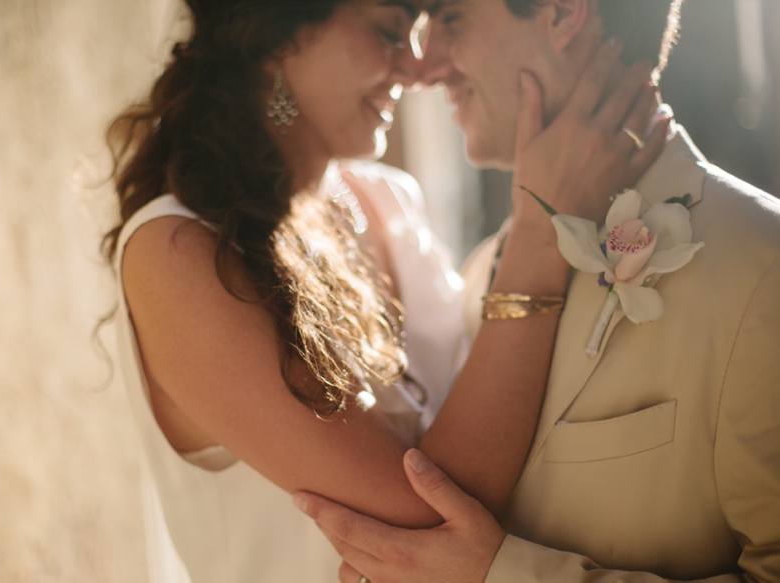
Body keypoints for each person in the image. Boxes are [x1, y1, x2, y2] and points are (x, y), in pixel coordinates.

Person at [105, 0, 664, 581]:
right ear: (275, 37)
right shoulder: (173, 253)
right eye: (386, 33)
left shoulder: (388, 205)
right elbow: (428, 525)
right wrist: (543, 234)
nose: (415, 68)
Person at [294, 0, 780, 581]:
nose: (424, 69)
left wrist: (498, 574)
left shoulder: (761, 267)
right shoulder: (484, 274)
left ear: (562, 12)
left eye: (451, 19)